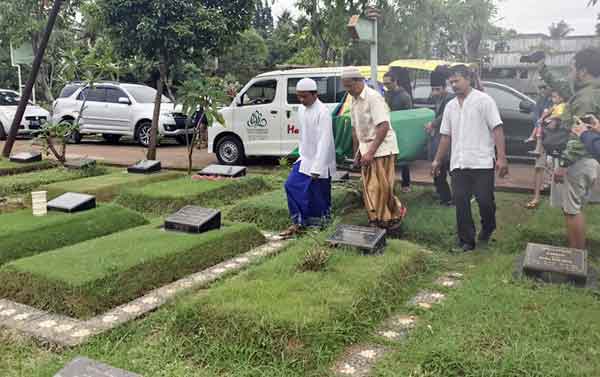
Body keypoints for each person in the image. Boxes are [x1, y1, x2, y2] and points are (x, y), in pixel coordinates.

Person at [432, 65, 509, 252]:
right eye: (451, 82)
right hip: (458, 162)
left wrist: (502, 158)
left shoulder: (484, 101)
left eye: (457, 81)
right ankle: (467, 241)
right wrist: (437, 160)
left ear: (468, 79)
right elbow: (445, 136)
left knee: (485, 200)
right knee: (460, 201)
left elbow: (497, 129)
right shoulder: (450, 106)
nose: (454, 85)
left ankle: (488, 226)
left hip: (482, 161)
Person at [342, 66, 406, 230]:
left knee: (381, 187)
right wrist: (357, 152)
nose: (347, 90)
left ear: (359, 81)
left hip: (382, 147)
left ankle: (393, 216)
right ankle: (377, 220)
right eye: (345, 86)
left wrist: (370, 152)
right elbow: (356, 131)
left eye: (349, 85)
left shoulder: (373, 97)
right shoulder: (354, 101)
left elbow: (383, 126)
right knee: (371, 187)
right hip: (367, 148)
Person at [549, 47, 600, 250]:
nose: (570, 73)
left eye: (572, 68)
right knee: (574, 207)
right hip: (588, 157)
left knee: (571, 210)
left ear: (583, 71)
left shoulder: (585, 97)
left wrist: (564, 163)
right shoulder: (591, 90)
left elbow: (579, 135)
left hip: (579, 160)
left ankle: (576, 259)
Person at [281, 78, 337, 238]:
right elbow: (304, 136)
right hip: (305, 158)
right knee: (290, 185)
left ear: (315, 94)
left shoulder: (323, 112)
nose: (301, 100)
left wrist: (317, 168)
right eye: (299, 96)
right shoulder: (301, 109)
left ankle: (322, 228)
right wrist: (301, 156)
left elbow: (324, 141)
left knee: (319, 196)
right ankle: (298, 223)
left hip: (321, 161)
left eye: (304, 96)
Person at [525, 84, 568, 209]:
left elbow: (559, 121)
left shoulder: (563, 100)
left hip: (558, 142)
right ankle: (536, 197)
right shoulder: (542, 101)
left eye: (545, 86)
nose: (542, 89)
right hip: (544, 139)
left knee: (558, 169)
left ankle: (562, 201)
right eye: (540, 86)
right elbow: (538, 119)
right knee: (539, 167)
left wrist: (552, 121)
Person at [425, 66, 454, 206]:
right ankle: (444, 196)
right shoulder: (437, 98)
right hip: (439, 140)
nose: (434, 92)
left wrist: (433, 124)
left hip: (448, 142)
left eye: (437, 89)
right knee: (439, 170)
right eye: (433, 89)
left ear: (444, 87)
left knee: (447, 171)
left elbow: (444, 116)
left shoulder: (450, 98)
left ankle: (449, 198)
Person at [383, 71, 413, 193]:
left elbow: (408, 116)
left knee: (403, 159)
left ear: (395, 81)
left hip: (401, 131)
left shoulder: (404, 96)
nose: (386, 86)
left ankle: (406, 184)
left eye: (388, 83)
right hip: (388, 129)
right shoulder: (386, 94)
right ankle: (389, 183)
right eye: (384, 83)